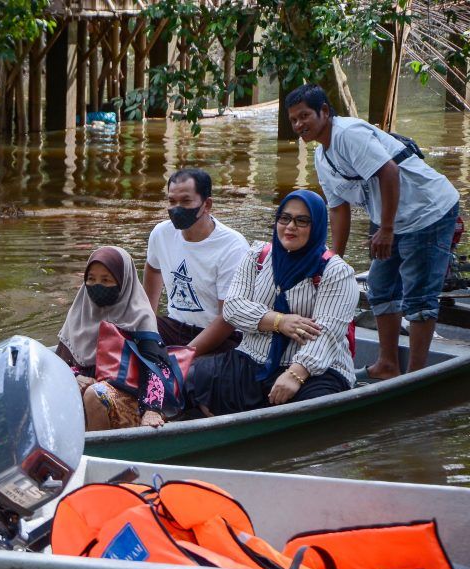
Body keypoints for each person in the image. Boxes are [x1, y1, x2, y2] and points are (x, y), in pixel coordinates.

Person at [285, 84, 460, 382]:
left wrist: (387, 230)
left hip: (427, 210)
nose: (300, 125)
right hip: (390, 216)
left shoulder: (348, 134)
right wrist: (334, 262)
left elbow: (388, 171)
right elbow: (338, 209)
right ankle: (387, 364)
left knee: (418, 294)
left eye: (305, 116)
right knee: (380, 287)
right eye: (294, 120)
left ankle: (415, 375)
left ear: (324, 112)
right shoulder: (321, 157)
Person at [187, 190, 357, 416]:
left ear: (316, 226)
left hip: (315, 369)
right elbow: (232, 308)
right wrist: (279, 321)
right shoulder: (258, 255)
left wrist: (296, 374)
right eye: (284, 218)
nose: (290, 227)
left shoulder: (336, 272)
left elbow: (326, 334)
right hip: (253, 358)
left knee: (313, 407)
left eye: (302, 221)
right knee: (190, 377)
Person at [56, 246, 166, 430]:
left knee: (95, 394)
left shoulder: (139, 317)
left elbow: (155, 369)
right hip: (86, 390)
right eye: (91, 279)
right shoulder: (79, 313)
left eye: (106, 280)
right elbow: (59, 365)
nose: (97, 285)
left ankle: (98, 452)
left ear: (123, 282)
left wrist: (151, 409)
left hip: (131, 397)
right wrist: (75, 377)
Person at [144, 168, 249, 355]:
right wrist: (147, 320)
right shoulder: (161, 233)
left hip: (221, 337)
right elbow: (153, 268)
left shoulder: (232, 246)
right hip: (174, 326)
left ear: (206, 204)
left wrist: (186, 354)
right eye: (171, 201)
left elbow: (227, 318)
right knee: (124, 339)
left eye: (185, 201)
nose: (176, 209)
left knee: (192, 377)